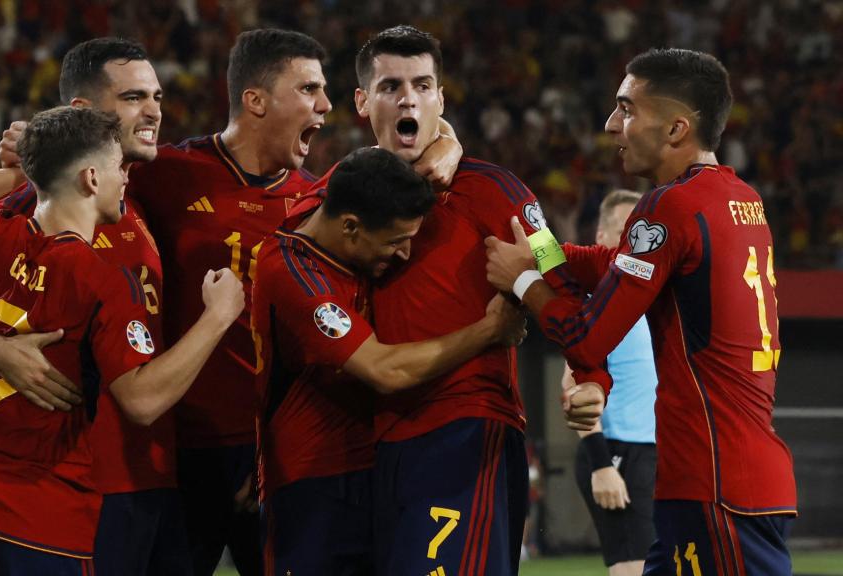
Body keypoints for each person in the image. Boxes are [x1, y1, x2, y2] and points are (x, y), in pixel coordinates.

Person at [124, 29, 462, 576]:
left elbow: (409, 146)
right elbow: (70, 180)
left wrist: (449, 141)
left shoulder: (321, 202)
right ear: (256, 100)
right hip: (178, 451)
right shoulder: (164, 174)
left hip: (277, 453)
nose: (325, 106)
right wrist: (23, 156)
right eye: (309, 90)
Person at [290, 25, 607, 576]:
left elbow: (561, 282)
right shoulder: (340, 191)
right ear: (364, 102)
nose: (408, 98)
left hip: (466, 431)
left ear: (441, 98)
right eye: (391, 86)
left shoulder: (498, 191)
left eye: (423, 85)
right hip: (376, 443)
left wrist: (590, 376)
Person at [485, 48, 796, 575]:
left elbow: (586, 339)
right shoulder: (741, 199)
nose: (611, 125)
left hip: (712, 482)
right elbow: (612, 263)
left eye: (627, 109)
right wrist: (540, 245)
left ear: (677, 129)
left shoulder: (667, 205)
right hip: (735, 476)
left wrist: (522, 279)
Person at [0, 106, 243, 574]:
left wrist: (19, 176)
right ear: (90, 178)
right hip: (41, 520)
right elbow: (142, 399)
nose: (127, 177)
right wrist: (217, 318)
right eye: (119, 166)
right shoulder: (100, 281)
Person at [252, 146, 524, 575]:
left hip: (376, 469)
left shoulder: (352, 188)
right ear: (350, 227)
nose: (402, 254)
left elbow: (392, 148)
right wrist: (490, 330)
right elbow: (385, 370)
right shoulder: (292, 270)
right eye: (395, 241)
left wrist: (449, 142)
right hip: (313, 483)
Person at [560, 189, 657, 576]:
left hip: (653, 450)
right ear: (601, 237)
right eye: (626, 231)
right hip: (618, 452)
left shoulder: (652, 296)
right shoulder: (595, 297)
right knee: (634, 568)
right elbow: (571, 383)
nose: (638, 241)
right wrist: (601, 464)